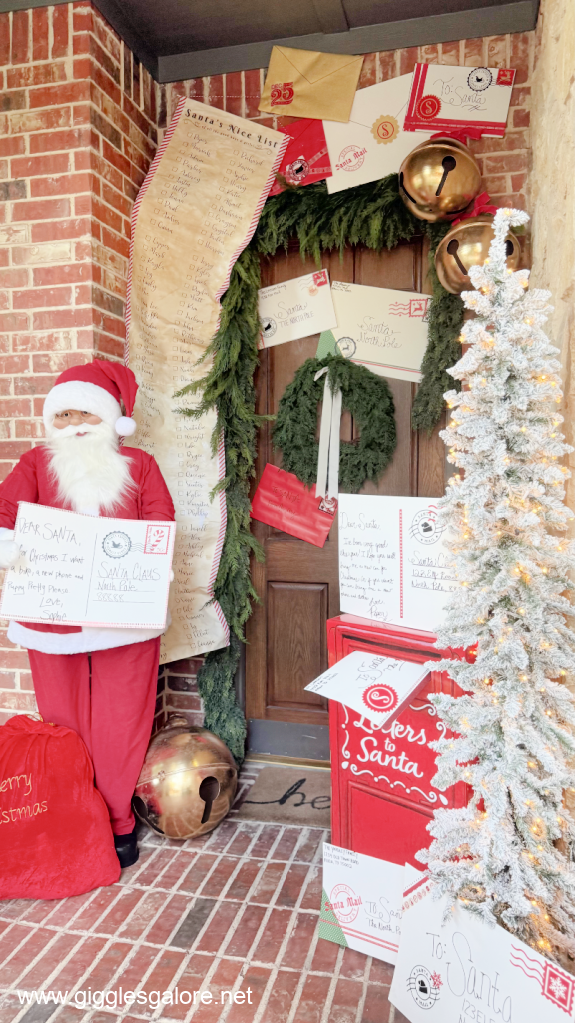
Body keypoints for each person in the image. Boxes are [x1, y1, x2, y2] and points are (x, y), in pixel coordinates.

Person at [0, 360, 175, 868]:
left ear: (112, 419)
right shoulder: (35, 464)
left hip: (125, 616)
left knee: (122, 717)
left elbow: (159, 519)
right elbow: (5, 515)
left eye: (87, 414)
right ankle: (76, 814)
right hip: (53, 618)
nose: (75, 424)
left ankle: (119, 819)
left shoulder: (140, 466)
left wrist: (149, 566)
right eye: (64, 415)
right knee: (63, 720)